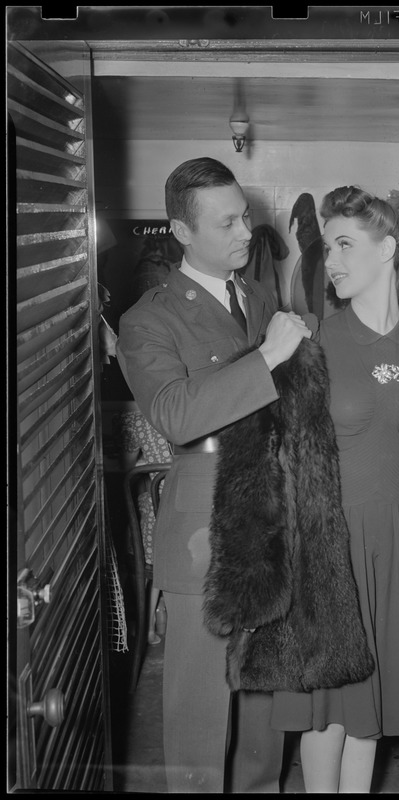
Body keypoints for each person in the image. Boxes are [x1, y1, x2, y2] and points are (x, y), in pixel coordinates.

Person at [115, 156, 312, 793]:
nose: (245, 231)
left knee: (263, 707)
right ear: (180, 231)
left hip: (270, 520)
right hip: (203, 530)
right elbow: (174, 414)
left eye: (245, 216)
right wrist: (272, 358)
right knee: (200, 715)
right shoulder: (147, 319)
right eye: (226, 222)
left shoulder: (258, 298)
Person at [270, 186, 399, 793]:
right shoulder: (315, 339)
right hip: (331, 534)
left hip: (395, 531)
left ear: (388, 250)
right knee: (328, 708)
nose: (335, 260)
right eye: (329, 247)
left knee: (369, 710)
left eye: (346, 244)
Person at [113, 406, 171, 644]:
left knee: (140, 510)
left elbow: (125, 466)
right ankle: (162, 612)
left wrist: (145, 461)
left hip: (157, 526)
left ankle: (147, 625)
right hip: (190, 513)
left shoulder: (136, 417)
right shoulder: (181, 407)